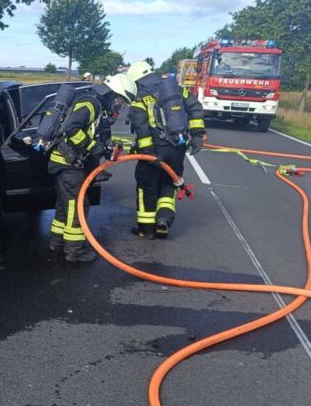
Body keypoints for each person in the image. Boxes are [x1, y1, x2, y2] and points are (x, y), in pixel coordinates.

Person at [48, 74, 137, 262]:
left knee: (64, 206)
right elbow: (72, 129)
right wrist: (91, 146)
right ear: (112, 94)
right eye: (120, 101)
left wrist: (106, 147)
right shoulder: (90, 103)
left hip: (65, 163)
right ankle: (74, 251)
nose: (120, 106)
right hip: (69, 165)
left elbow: (94, 133)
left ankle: (56, 243)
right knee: (77, 206)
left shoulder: (97, 106)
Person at [125, 61, 206, 239]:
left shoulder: (141, 96)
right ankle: (164, 219)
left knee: (147, 186)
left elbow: (141, 125)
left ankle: (146, 230)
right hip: (177, 147)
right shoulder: (176, 88)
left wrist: (147, 151)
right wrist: (197, 135)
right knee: (170, 182)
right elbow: (195, 108)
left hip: (154, 150)